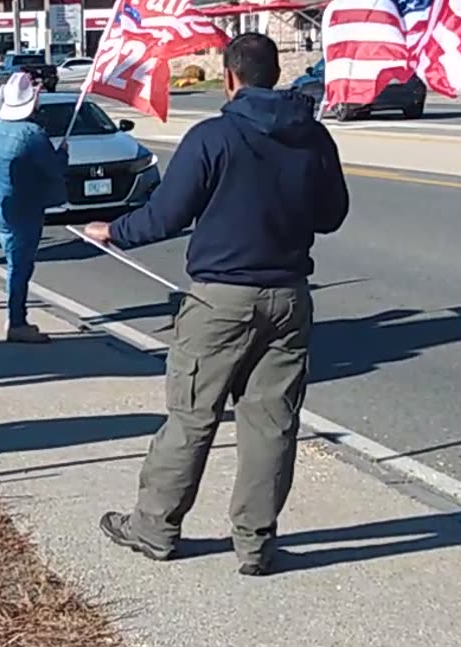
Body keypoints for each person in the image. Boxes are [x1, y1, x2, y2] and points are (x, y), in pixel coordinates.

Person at [84, 33, 349, 575]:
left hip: (220, 300)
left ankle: (155, 527)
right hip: (290, 298)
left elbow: (166, 215)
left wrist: (113, 230)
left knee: (192, 418)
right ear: (275, 75)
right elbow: (332, 215)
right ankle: (255, 544)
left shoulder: (214, 135)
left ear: (230, 77)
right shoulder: (313, 136)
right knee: (272, 424)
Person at [0, 71, 68, 343]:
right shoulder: (32, 134)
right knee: (20, 264)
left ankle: (16, 315)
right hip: (25, 205)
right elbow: (53, 169)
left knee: (13, 259)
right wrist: (63, 154)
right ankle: (17, 320)